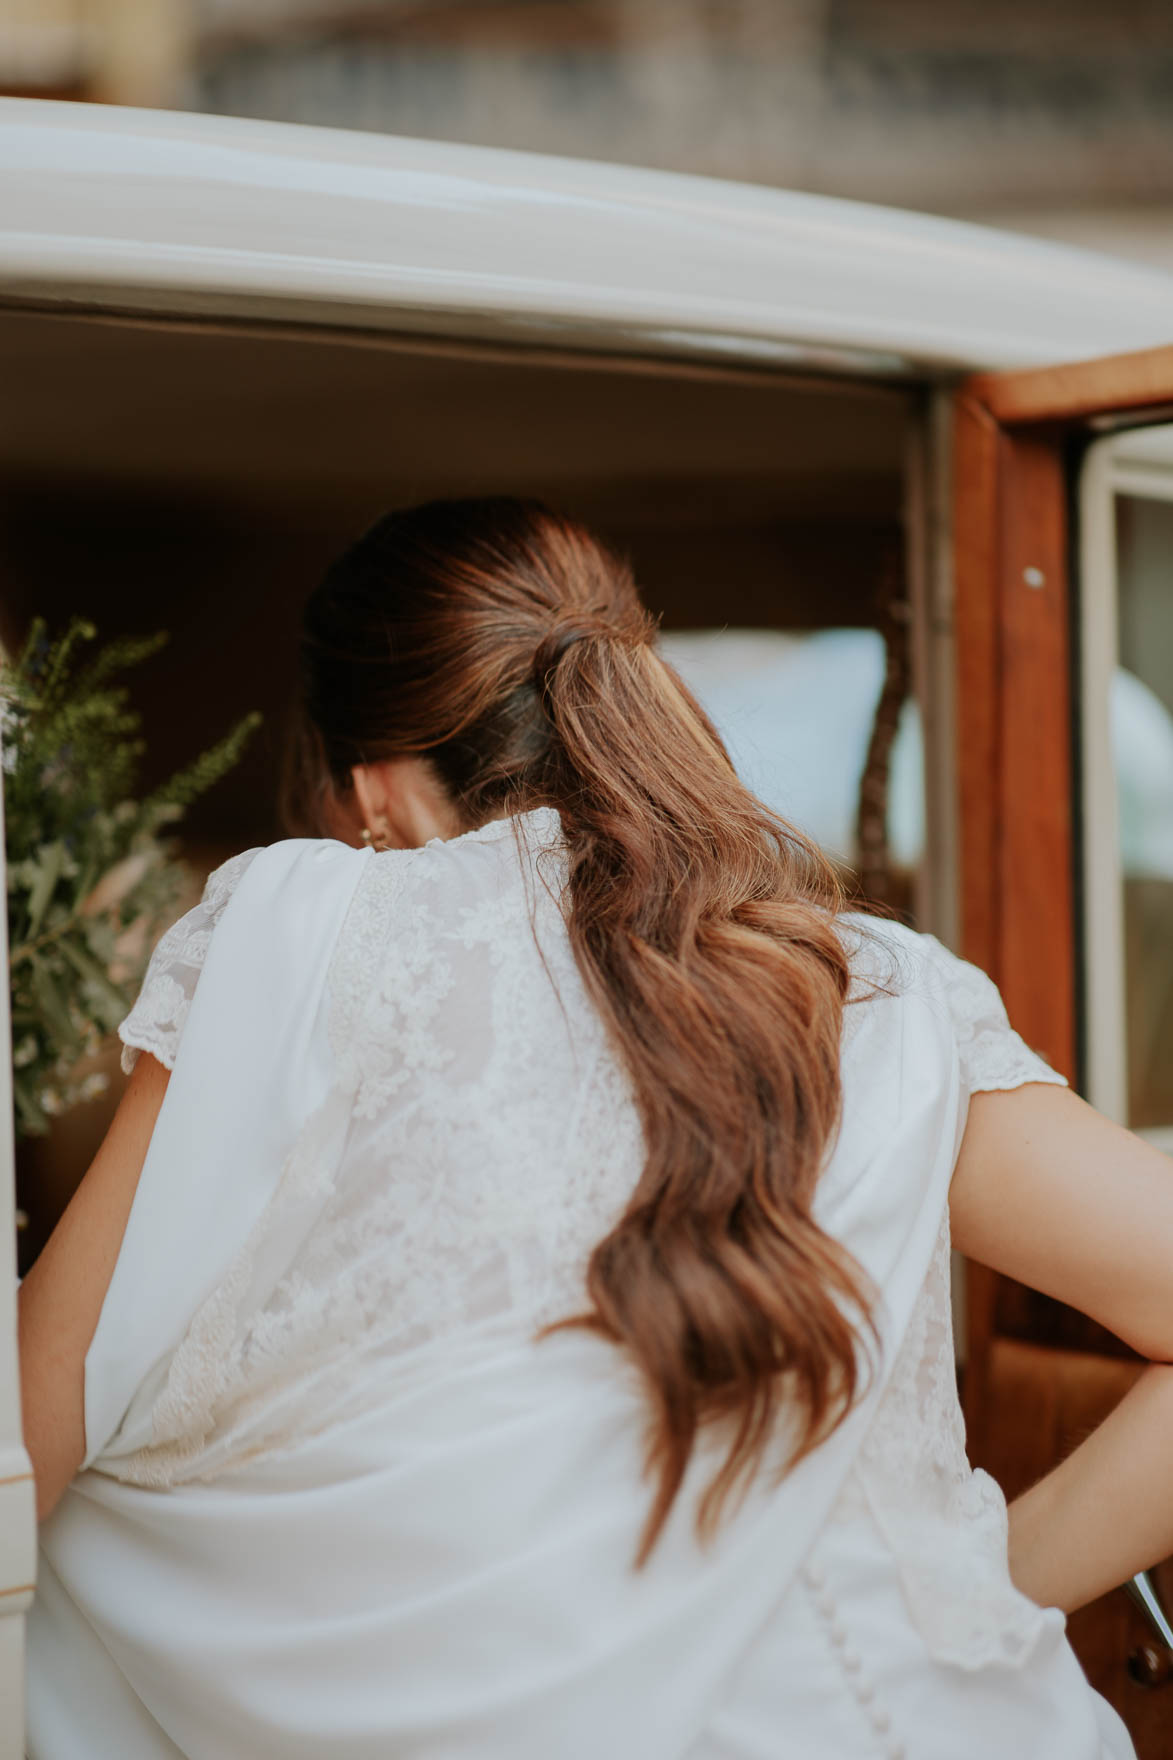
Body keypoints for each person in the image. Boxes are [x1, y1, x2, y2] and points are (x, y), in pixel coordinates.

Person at [19, 497, 1170, 1760]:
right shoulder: (875, 990)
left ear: (369, 787)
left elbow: (36, 1418)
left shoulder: (311, 924)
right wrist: (976, 1591)